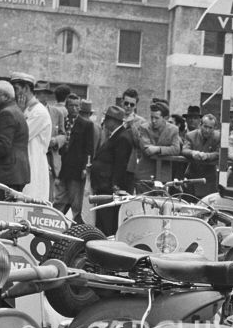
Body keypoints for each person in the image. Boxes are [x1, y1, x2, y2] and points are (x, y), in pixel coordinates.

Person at [90, 105, 139, 233]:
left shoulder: (122, 137)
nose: (105, 121)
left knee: (107, 221)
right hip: (104, 185)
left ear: (114, 121)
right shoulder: (115, 135)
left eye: (107, 118)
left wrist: (115, 186)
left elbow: (120, 165)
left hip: (108, 187)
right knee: (102, 219)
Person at [10, 73, 52, 202]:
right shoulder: (24, 109)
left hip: (33, 164)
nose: (13, 93)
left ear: (26, 89)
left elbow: (19, 135)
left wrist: (19, 112)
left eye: (16, 89)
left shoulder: (39, 112)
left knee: (29, 204)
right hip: (21, 165)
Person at [55, 99, 97, 223]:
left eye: (76, 106)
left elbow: (89, 149)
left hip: (76, 169)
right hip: (63, 167)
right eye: (71, 105)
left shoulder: (86, 124)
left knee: (76, 201)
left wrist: (85, 168)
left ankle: (77, 224)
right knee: (59, 198)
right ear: (66, 106)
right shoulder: (63, 121)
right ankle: (55, 220)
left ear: (79, 108)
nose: (74, 108)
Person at [137, 101, 182, 182]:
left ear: (165, 118)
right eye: (152, 117)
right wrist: (167, 149)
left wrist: (158, 149)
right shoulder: (144, 128)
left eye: (156, 118)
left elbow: (176, 149)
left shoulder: (173, 129)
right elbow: (147, 150)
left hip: (164, 174)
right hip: (145, 173)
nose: (153, 121)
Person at [181, 112, 221, 192]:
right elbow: (185, 150)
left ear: (214, 128)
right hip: (192, 176)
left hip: (209, 178)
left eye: (210, 128)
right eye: (205, 126)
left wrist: (207, 156)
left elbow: (219, 153)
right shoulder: (190, 135)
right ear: (200, 125)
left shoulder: (218, 137)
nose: (207, 130)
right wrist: (193, 153)